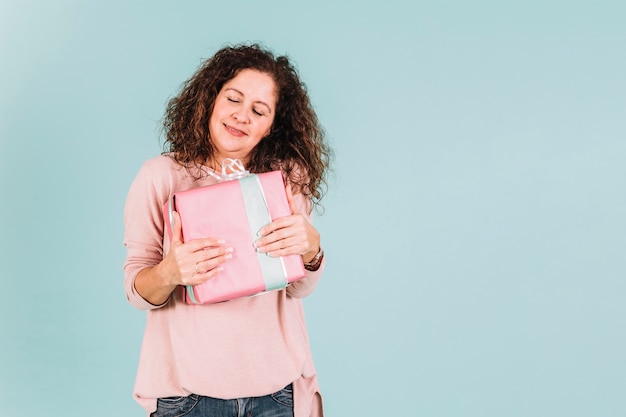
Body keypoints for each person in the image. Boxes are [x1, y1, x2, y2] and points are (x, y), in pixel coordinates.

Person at [123, 43, 331, 417]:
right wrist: (170, 272)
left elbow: (299, 287)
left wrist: (312, 251)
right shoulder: (161, 176)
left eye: (259, 110)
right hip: (187, 396)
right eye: (233, 98)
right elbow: (137, 291)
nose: (242, 116)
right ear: (210, 100)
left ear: (272, 125)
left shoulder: (287, 179)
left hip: (278, 393)